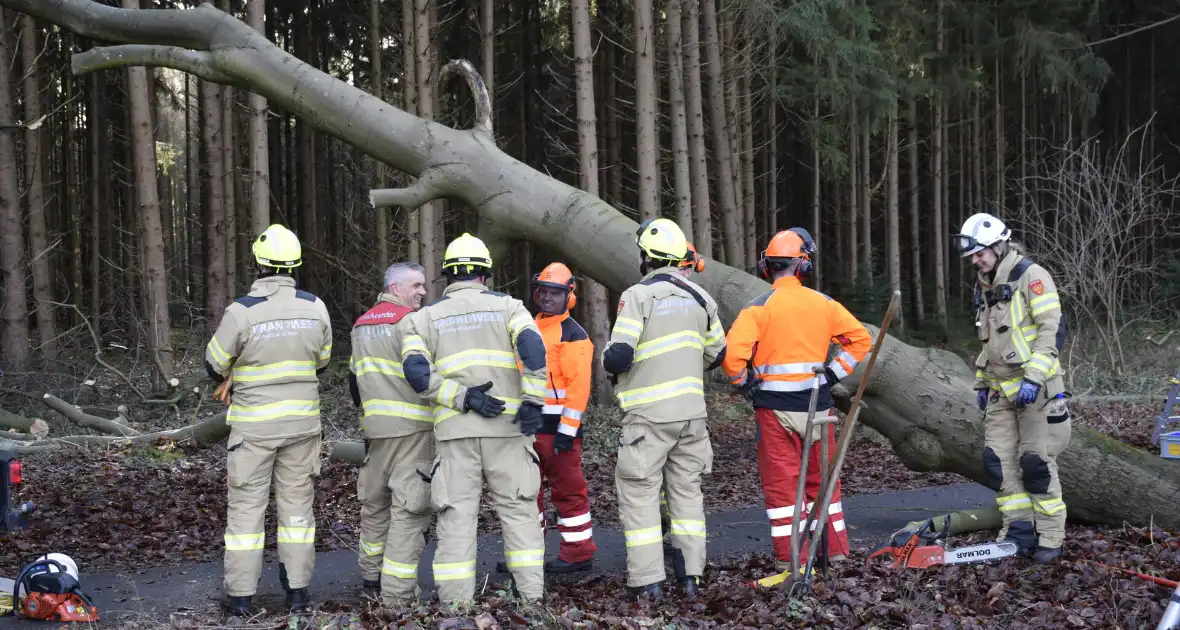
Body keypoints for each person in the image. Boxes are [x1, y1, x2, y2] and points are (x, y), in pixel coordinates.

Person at [400, 233, 549, 605]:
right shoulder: (511, 307)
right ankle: (531, 601)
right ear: (485, 274)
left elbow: (417, 373)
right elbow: (532, 349)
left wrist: (463, 397)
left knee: (456, 521)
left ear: (448, 276)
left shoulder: (422, 319)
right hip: (509, 431)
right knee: (519, 515)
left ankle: (456, 606)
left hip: (455, 435)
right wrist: (532, 400)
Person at [722, 228, 871, 576]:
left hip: (774, 410)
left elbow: (732, 359)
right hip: (818, 407)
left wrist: (746, 385)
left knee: (784, 489)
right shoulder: (824, 304)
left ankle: (793, 560)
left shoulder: (758, 308)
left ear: (767, 266)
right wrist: (832, 375)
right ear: (803, 265)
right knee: (825, 484)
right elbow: (860, 341)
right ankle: (834, 553)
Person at [203, 224, 332, 616]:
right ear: (295, 264)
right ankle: (297, 594)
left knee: (246, 510)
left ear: (259, 264)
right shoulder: (315, 306)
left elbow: (214, 364)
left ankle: (240, 597)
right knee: (297, 511)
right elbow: (322, 363)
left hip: (255, 429)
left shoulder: (241, 311)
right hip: (301, 427)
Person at [602, 218, 727, 600]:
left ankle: (648, 583)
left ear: (648, 258)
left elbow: (619, 355)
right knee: (687, 496)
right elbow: (718, 352)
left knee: (640, 496)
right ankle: (691, 577)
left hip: (648, 418)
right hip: (692, 416)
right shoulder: (701, 299)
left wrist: (610, 360)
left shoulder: (637, 296)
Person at [955, 212, 1070, 564]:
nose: (976, 261)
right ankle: (1018, 531)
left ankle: (1051, 536)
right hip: (1000, 389)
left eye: (980, 253)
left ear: (998, 245)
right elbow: (990, 342)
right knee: (997, 462)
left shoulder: (1031, 276)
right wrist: (981, 381)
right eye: (973, 256)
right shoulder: (985, 284)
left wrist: (1034, 377)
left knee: (1034, 463)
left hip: (1036, 387)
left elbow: (1052, 331)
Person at [349, 261, 433, 605]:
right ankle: (397, 594)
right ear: (395, 288)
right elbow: (424, 376)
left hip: (375, 432)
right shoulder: (410, 322)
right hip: (413, 430)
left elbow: (354, 382)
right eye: (416, 285)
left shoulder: (361, 324)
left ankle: (371, 576)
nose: (423, 292)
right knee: (409, 510)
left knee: (375, 506)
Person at [529, 262, 597, 573]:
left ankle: (578, 553)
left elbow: (578, 388)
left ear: (568, 296)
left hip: (559, 431)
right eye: (544, 291)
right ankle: (528, 554)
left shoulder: (574, 334)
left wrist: (567, 432)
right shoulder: (528, 326)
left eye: (555, 293)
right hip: (530, 428)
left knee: (568, 492)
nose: (547, 298)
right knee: (527, 494)